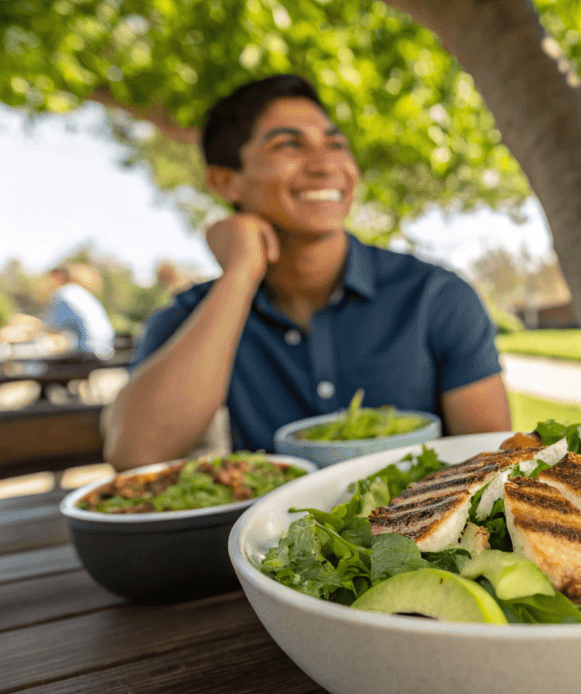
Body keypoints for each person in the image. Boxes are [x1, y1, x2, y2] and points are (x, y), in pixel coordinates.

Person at [103, 75, 511, 470]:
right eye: (288, 145)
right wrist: (239, 273)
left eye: (335, 144)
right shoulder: (193, 314)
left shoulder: (436, 297)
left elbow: (494, 464)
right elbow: (135, 453)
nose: (325, 165)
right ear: (226, 181)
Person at [43, 264, 116, 359]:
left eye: (49, 279)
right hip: (105, 350)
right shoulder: (82, 292)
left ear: (59, 277)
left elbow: (49, 328)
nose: (46, 284)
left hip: (87, 353)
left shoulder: (62, 293)